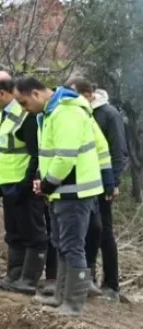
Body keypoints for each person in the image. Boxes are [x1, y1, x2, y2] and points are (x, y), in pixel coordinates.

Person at [13, 77, 111, 316]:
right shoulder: (50, 112)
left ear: (36, 94)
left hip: (74, 191)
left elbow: (65, 157)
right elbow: (50, 154)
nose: (24, 109)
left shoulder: (66, 112)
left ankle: (73, 303)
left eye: (24, 103)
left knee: (72, 246)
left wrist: (47, 184)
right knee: (61, 244)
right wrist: (42, 179)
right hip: (61, 190)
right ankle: (61, 296)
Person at [0, 71, 48, 295]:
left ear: (2, 93)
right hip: (6, 184)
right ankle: (14, 275)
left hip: (23, 185)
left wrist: (26, 182)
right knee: (14, 232)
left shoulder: (26, 116)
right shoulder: (2, 113)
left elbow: (36, 154)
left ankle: (29, 280)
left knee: (33, 233)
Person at [66, 77, 127, 302]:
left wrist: (115, 181)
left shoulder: (108, 114)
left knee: (104, 231)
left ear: (89, 94)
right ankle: (86, 279)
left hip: (103, 182)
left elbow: (118, 150)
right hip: (84, 183)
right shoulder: (78, 113)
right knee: (88, 230)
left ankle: (111, 284)